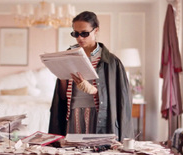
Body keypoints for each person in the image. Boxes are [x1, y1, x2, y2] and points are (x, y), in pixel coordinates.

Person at [48, 11, 134, 141]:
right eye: (75, 34)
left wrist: (92, 89)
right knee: (73, 154)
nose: (79, 38)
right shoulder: (68, 56)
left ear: (96, 30)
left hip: (98, 115)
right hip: (73, 114)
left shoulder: (111, 62)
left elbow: (121, 100)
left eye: (84, 33)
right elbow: (62, 96)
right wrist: (62, 78)